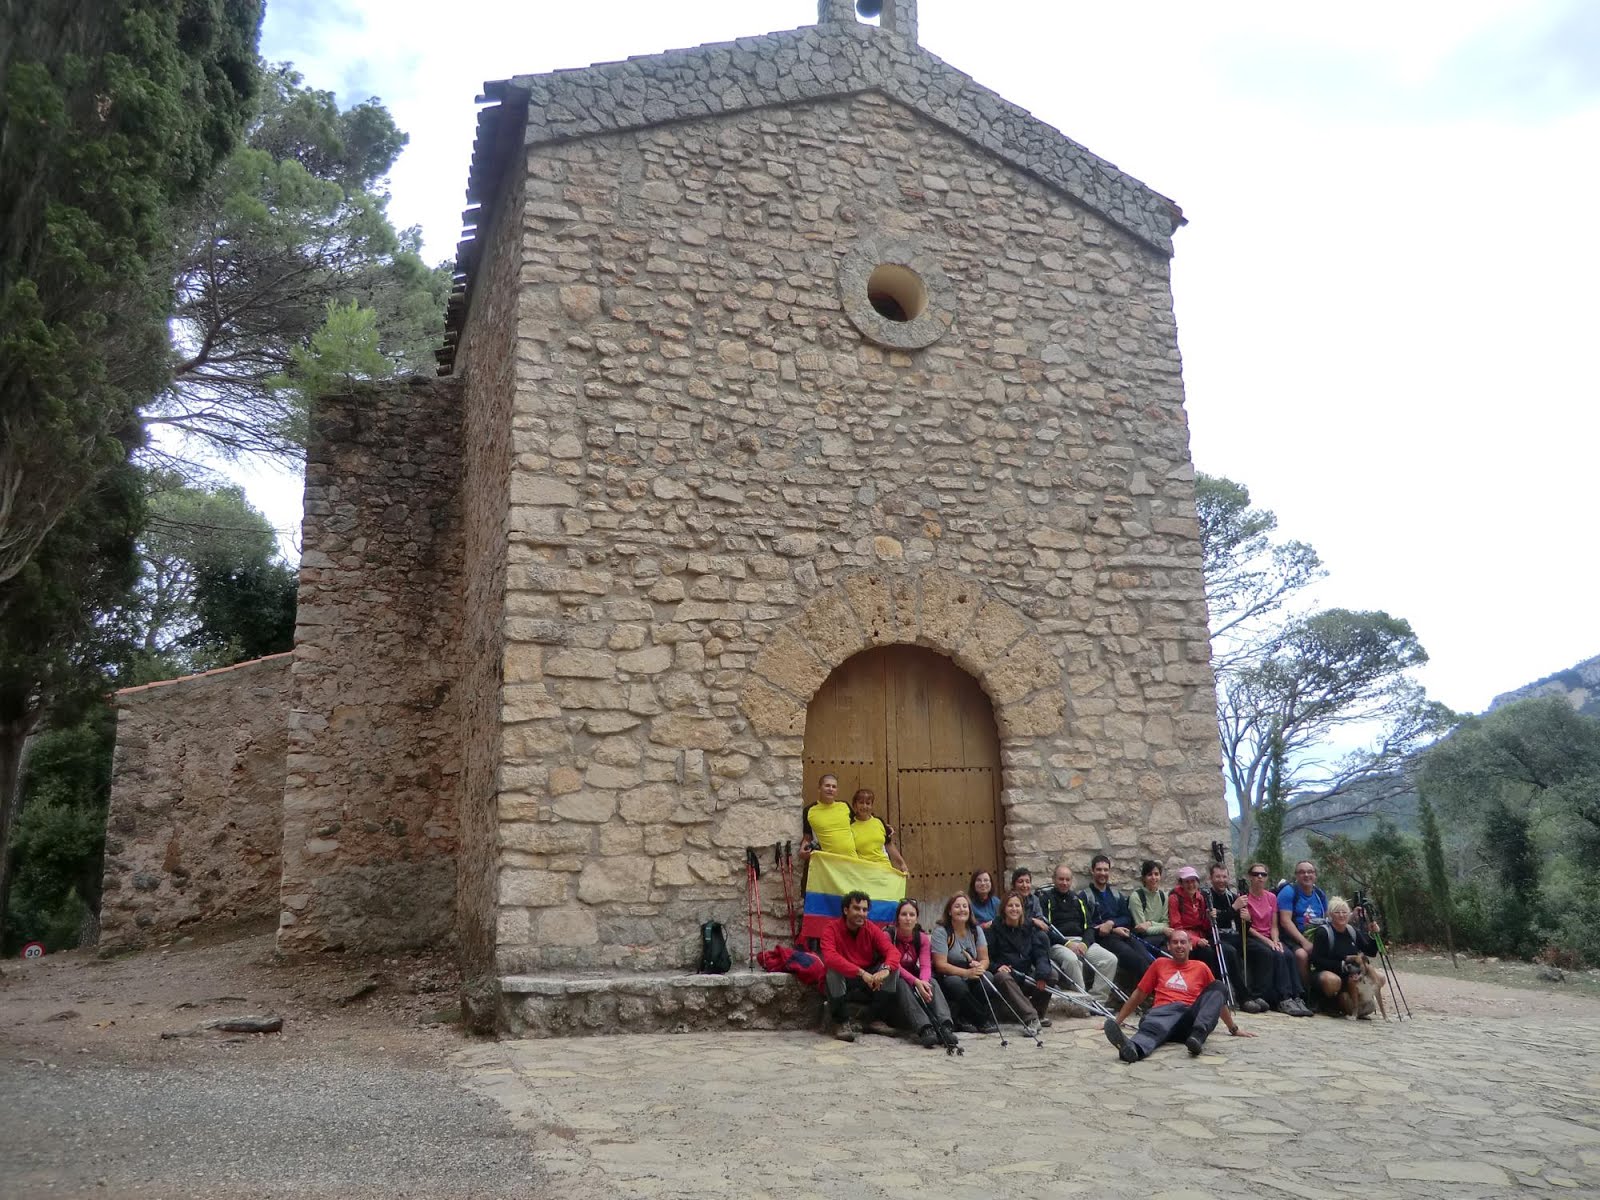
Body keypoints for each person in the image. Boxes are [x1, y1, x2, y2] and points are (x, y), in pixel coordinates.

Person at [1102, 928, 1256, 1062]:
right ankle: (1133, 1049)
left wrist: (1233, 1029)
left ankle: (1197, 1037)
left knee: (1219, 986)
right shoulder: (1159, 964)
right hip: (1162, 1015)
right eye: (1175, 942)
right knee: (1152, 1025)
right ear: (1169, 946)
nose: (1179, 946)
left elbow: (1216, 1001)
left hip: (1187, 1024)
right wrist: (1118, 1021)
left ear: (1190, 945)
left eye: (1183, 942)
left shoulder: (1201, 967)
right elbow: (1139, 995)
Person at [818, 890, 922, 1042]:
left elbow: (893, 952)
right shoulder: (831, 929)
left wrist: (885, 970)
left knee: (893, 970)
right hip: (844, 979)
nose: (861, 913)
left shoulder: (870, 928)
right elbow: (831, 958)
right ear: (846, 910)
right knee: (833, 970)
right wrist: (861, 973)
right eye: (857, 908)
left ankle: (875, 1019)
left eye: (865, 910)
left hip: (867, 980)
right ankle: (841, 1022)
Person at [1036, 863, 1120, 1009]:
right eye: (1061, 879)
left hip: (1080, 941)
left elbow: (1089, 927)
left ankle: (1098, 1001)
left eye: (1067, 879)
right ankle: (1084, 1002)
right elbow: (1046, 929)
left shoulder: (1077, 899)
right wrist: (1067, 944)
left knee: (1109, 959)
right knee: (1072, 960)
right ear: (1054, 879)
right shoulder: (1045, 899)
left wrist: (1084, 944)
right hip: (1059, 943)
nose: (1064, 883)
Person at [1237, 861, 1313, 1016]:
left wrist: (1276, 940)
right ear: (1250, 877)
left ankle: (1297, 996)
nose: (1260, 877)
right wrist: (1268, 942)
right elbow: (1248, 927)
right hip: (1254, 937)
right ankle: (1284, 998)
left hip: (1270, 936)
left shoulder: (1271, 897)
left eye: (1263, 874)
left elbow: (1274, 925)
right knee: (1277, 955)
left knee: (1288, 954)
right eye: (1256, 874)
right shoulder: (1244, 898)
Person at [1167, 866, 1245, 1003]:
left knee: (1229, 951)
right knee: (1208, 953)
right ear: (1181, 883)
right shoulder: (1175, 899)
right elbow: (1177, 926)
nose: (1191, 885)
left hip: (1203, 936)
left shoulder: (1200, 898)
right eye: (1187, 882)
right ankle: (1212, 994)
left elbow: (1205, 925)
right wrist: (1195, 940)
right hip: (1186, 939)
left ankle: (1243, 995)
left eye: (1193, 881)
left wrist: (1210, 918)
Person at [890, 899, 957, 1047]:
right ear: (897, 918)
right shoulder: (889, 936)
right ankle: (925, 1028)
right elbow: (894, 966)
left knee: (932, 981)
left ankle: (945, 1025)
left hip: (913, 977)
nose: (908, 918)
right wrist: (916, 982)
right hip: (893, 979)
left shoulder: (921, 938)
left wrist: (924, 983)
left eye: (912, 915)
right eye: (904, 914)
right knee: (901, 982)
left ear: (916, 918)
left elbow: (925, 965)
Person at [985, 892, 1053, 1034]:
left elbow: (1040, 954)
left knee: (1051, 974)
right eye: (1010, 906)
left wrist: (1041, 974)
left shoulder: (1029, 928)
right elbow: (986, 958)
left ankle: (1037, 1013)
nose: (1014, 909)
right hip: (1007, 979)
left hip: (1024, 976)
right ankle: (1031, 1018)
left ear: (1022, 908)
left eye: (1017, 905)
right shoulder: (994, 929)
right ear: (1004, 909)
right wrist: (997, 967)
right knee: (1002, 977)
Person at [1308, 897, 1386, 1018]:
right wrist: (1341, 966)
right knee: (1333, 981)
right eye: (1337, 912)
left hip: (1351, 975)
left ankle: (1358, 1002)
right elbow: (1316, 960)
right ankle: (1328, 1003)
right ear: (1330, 915)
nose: (1341, 915)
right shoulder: (1323, 932)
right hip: (1331, 974)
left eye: (1344, 912)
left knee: (1380, 978)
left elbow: (1370, 952)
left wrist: (1374, 935)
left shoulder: (1352, 931)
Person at [1082, 854, 1156, 980]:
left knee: (1148, 957)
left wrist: (1112, 923)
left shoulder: (1116, 895)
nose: (1102, 873)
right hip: (1104, 939)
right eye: (1099, 869)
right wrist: (1111, 929)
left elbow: (1127, 917)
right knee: (1137, 960)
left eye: (1105, 870)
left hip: (1124, 934)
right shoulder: (1085, 896)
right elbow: (1087, 924)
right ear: (1092, 871)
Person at [932, 893, 996, 1033]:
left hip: (971, 972)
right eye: (957, 906)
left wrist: (979, 967)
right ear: (949, 911)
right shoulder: (942, 932)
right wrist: (966, 973)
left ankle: (964, 1018)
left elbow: (984, 959)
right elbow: (940, 965)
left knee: (988, 978)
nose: (962, 909)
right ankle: (981, 1019)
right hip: (950, 975)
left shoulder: (976, 930)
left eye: (965, 906)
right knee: (956, 983)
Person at [1277, 860, 1330, 985]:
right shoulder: (1288, 892)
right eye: (1302, 872)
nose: (1306, 875)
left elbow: (1329, 916)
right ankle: (1306, 990)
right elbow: (1285, 921)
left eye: (1310, 872)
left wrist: (1352, 915)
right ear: (1296, 875)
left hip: (1316, 936)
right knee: (1302, 955)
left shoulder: (1319, 894)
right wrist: (1304, 942)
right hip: (1292, 937)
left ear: (1315, 875)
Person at [798, 774, 855, 862]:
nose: (831, 789)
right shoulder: (809, 810)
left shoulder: (845, 806)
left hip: (851, 860)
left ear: (837, 791)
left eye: (834, 787)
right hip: (827, 864)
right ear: (819, 788)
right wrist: (803, 849)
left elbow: (857, 828)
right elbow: (807, 837)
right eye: (827, 785)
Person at [849, 788, 908, 872]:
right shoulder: (850, 826)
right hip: (864, 871)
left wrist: (902, 863)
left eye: (868, 803)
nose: (864, 806)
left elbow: (889, 845)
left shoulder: (879, 822)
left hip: (884, 868)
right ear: (855, 805)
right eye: (861, 803)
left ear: (871, 806)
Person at [1128, 860, 1169, 954]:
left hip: (1160, 937)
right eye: (1150, 874)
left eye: (1156, 874)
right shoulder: (1136, 897)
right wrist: (1162, 929)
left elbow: (1166, 923)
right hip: (1142, 939)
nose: (1154, 877)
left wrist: (1150, 923)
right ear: (1144, 878)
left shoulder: (1163, 896)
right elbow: (1141, 928)